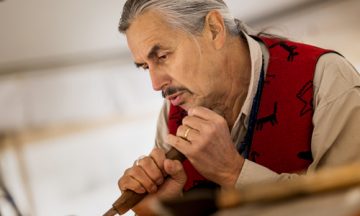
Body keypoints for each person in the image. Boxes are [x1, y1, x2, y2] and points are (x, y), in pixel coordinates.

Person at [116, 0, 360, 215]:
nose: (156, 85)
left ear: (214, 29)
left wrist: (233, 172)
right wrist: (161, 211)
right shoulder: (172, 113)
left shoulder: (326, 80)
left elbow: (348, 208)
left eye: (162, 56)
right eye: (146, 67)